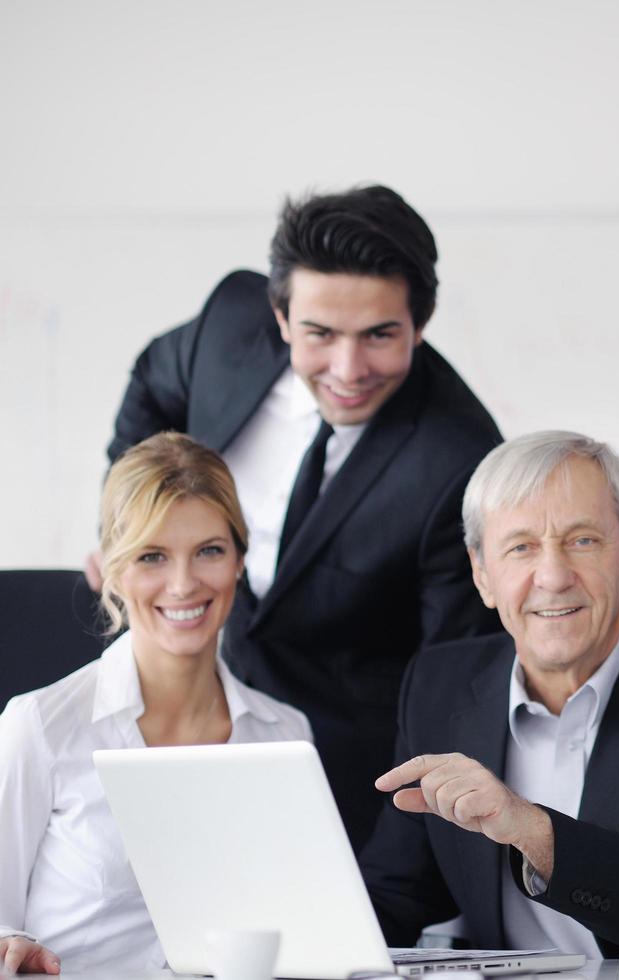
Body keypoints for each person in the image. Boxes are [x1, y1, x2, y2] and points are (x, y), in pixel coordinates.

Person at [100, 186, 503, 850]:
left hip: (339, 758)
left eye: (379, 335)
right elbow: (152, 380)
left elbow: (448, 674)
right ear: (281, 315)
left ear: (420, 324)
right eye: (320, 334)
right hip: (173, 705)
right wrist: (123, 527)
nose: (348, 370)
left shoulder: (460, 459)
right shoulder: (228, 319)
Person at [358, 431, 619, 959]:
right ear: (482, 576)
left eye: (583, 540)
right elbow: (398, 891)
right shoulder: (438, 685)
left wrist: (529, 828)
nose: (553, 577)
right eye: (521, 548)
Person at [0, 433, 312, 974]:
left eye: (209, 551)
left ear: (240, 558)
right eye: (152, 556)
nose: (183, 584)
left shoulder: (284, 735)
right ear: (113, 570)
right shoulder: (41, 729)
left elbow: (307, 933)